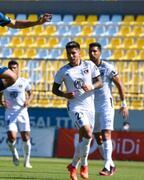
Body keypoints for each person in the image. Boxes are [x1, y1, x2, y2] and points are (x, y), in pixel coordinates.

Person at [52, 41, 103, 180]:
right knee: (87, 132)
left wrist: (91, 86)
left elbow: (100, 82)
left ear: (79, 52)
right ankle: (84, 165)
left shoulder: (89, 65)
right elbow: (54, 89)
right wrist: (64, 94)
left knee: (85, 138)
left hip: (89, 107)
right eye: (68, 53)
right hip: (75, 106)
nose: (71, 56)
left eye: (73, 53)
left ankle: (74, 165)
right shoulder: (63, 71)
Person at [89, 42, 129, 176]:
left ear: (100, 52)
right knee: (97, 136)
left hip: (106, 104)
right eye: (90, 51)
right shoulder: (86, 67)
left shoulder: (108, 67)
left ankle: (107, 167)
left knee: (106, 133)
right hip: (92, 106)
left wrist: (124, 103)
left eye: (95, 51)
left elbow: (119, 84)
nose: (92, 53)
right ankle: (111, 164)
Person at [0, 60, 33, 168]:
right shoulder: (3, 83)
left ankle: (27, 161)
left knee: (26, 137)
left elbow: (30, 93)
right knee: (12, 137)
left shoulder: (23, 81)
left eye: (14, 68)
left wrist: (28, 101)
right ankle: (14, 153)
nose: (13, 70)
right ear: (8, 69)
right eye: (11, 68)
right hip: (10, 113)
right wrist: (3, 104)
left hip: (22, 112)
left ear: (18, 69)